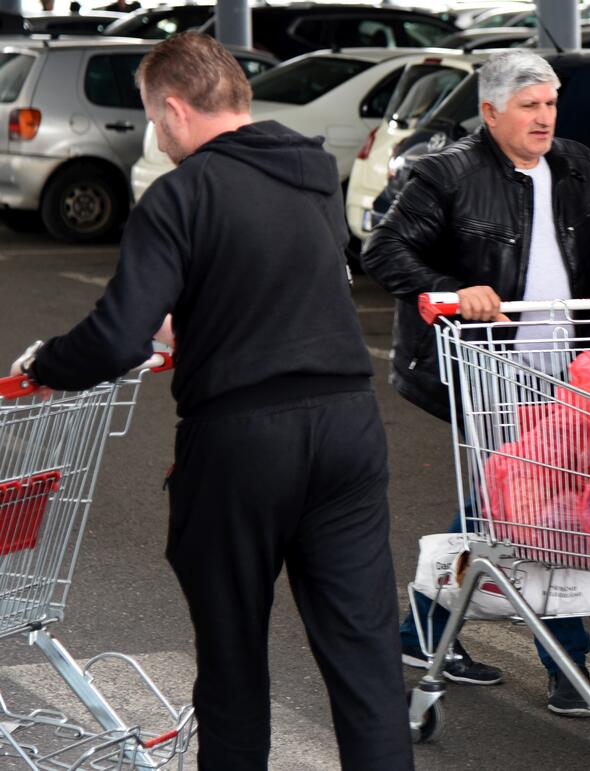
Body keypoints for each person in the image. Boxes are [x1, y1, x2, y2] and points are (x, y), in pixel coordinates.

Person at [9, 32, 413, 771]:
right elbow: (287, 279)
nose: (157, 136)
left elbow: (117, 338)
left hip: (241, 442)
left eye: (154, 120)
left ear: (174, 107)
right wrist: (192, 316)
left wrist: (48, 362)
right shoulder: (314, 172)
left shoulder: (180, 194)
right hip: (347, 426)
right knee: (365, 660)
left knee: (233, 662)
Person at [362, 49, 590, 717]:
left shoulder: (575, 163)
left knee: (500, 511)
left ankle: (419, 632)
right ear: (490, 111)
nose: (544, 118)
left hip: (565, 370)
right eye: (529, 106)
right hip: (486, 372)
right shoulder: (447, 174)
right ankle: (568, 665)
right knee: (536, 509)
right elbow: (385, 248)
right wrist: (451, 289)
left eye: (550, 104)